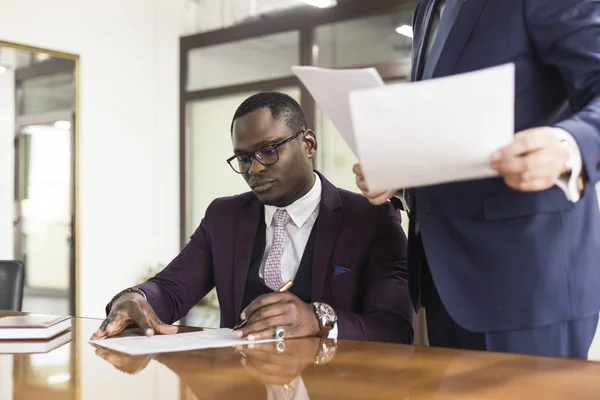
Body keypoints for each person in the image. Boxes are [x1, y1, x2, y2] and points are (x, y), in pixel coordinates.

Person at [354, 0, 600, 358]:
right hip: (444, 283)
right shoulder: (427, 10)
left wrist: (568, 145)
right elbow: (456, 127)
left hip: (526, 279)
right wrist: (399, 170)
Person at [92, 92, 413, 344]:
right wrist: (137, 298)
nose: (255, 168)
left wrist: (320, 320)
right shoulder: (224, 217)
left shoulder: (371, 219)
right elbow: (172, 289)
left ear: (308, 144)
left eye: (269, 150)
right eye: (244, 159)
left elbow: (395, 328)